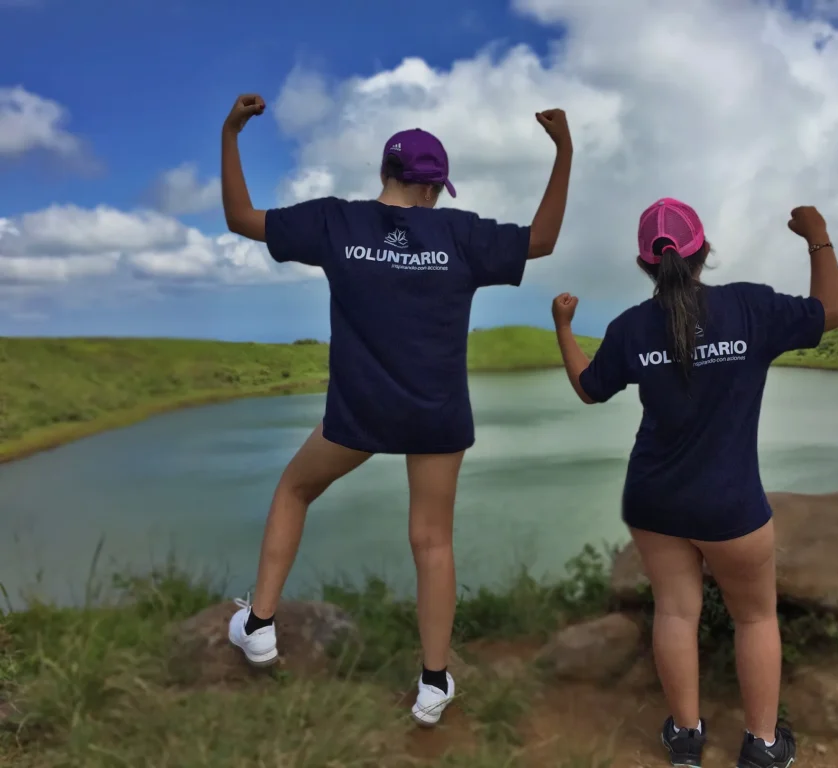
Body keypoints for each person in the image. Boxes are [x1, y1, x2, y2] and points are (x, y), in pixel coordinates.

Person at [218, 93, 573, 727]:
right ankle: (433, 685)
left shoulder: (337, 222)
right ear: (435, 188)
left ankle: (261, 624)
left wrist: (231, 133)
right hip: (436, 417)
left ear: (385, 174)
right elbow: (541, 240)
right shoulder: (460, 235)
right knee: (432, 542)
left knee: (295, 490)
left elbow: (241, 217)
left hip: (358, 415)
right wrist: (564, 151)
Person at [551, 198, 838, 768]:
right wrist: (817, 236)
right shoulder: (748, 307)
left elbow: (588, 388)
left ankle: (685, 738)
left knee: (676, 613)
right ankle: (761, 746)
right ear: (703, 251)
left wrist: (563, 327)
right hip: (730, 506)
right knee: (755, 617)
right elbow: (829, 311)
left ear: (645, 265)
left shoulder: (632, 326)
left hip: (654, 500)